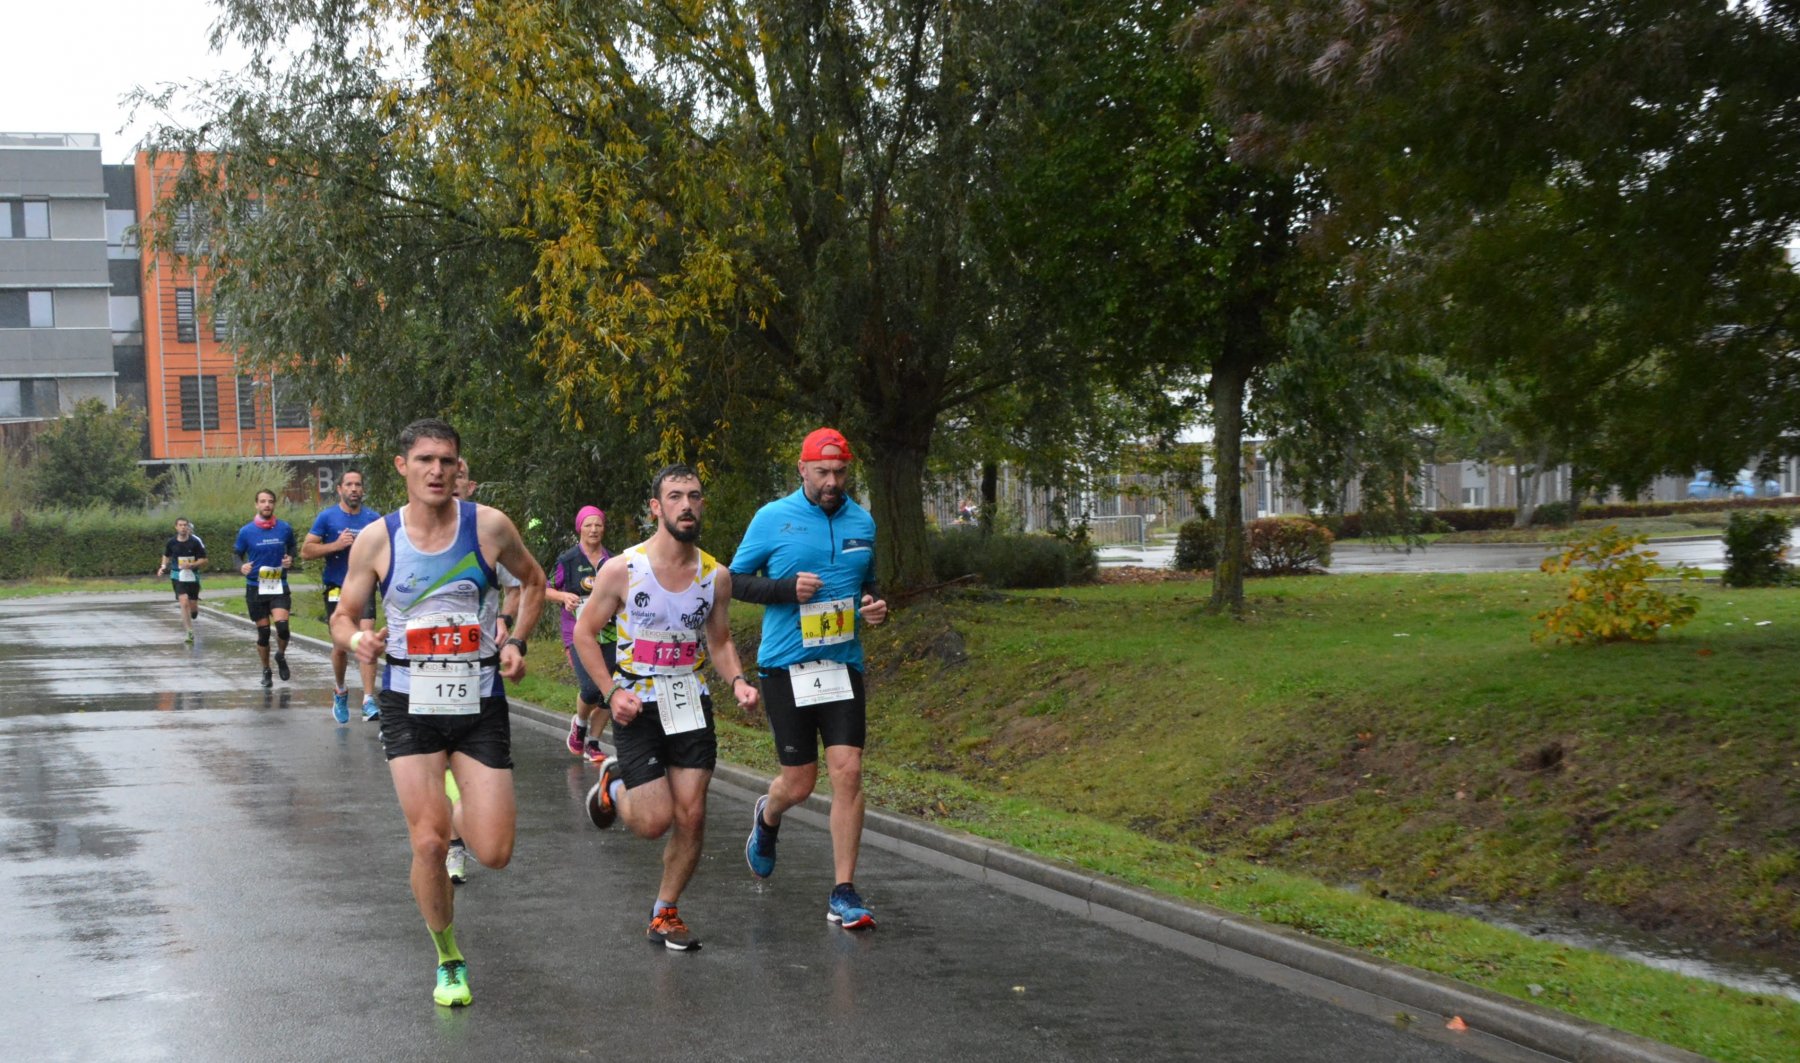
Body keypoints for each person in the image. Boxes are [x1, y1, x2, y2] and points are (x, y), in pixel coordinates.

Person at [333, 418, 545, 1007]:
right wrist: (359, 641)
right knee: (428, 843)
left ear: (458, 468)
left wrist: (516, 641)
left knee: (495, 852)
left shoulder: (489, 526)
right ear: (402, 466)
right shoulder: (378, 539)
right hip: (409, 702)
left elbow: (533, 582)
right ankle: (448, 956)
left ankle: (451, 802)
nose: (436, 470)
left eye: (447, 460)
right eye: (425, 459)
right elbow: (343, 615)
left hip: (479, 701)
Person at [574, 463, 759, 951]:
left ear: (702, 505)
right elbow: (584, 633)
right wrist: (611, 693)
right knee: (654, 821)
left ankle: (666, 912)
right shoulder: (623, 569)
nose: (686, 505)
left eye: (694, 496)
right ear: (656, 507)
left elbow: (719, 641)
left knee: (692, 815)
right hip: (637, 705)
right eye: (675, 496)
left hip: (689, 702)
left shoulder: (715, 576)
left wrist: (738, 681)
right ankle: (614, 784)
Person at [730, 427, 888, 930]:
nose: (832, 482)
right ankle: (768, 814)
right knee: (799, 783)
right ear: (802, 469)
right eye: (822, 472)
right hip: (786, 666)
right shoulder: (772, 518)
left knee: (848, 771)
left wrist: (874, 605)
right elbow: (732, 581)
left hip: (842, 664)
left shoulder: (863, 520)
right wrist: (784, 589)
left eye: (840, 472)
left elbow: (868, 583)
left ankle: (844, 891)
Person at [302, 469, 383, 723]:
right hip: (337, 588)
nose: (354, 489)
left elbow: (386, 551)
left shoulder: (373, 519)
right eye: (349, 484)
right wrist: (336, 545)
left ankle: (368, 699)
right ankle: (340, 690)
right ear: (339, 489)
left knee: (367, 637)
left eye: (358, 484)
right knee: (340, 646)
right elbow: (306, 551)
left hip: (365, 588)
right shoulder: (327, 517)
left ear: (363, 489)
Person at [547, 505, 614, 760]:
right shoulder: (568, 560)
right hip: (577, 633)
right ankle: (580, 724)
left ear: (603, 529)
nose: (594, 529)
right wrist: (564, 596)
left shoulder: (613, 561)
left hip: (610, 633)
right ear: (580, 529)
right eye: (588, 525)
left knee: (610, 691)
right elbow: (544, 588)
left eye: (598, 525)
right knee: (591, 689)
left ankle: (593, 744)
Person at [233, 489, 298, 689]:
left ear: (274, 504)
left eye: (270, 501)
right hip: (255, 587)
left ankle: (280, 655)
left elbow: (292, 547)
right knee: (263, 633)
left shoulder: (284, 528)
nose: (267, 504)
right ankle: (266, 669)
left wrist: (290, 558)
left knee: (283, 628)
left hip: (278, 584)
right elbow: (236, 554)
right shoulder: (246, 531)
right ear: (256, 505)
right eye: (262, 501)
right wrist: (241, 566)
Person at [156, 516, 207, 642]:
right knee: (183, 602)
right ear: (176, 527)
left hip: (192, 575)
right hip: (177, 575)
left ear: (188, 527)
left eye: (185, 525)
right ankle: (189, 631)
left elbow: (204, 560)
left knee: (192, 606)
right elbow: (166, 555)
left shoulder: (195, 542)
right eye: (180, 525)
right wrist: (163, 566)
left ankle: (194, 611)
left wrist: (192, 565)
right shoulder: (171, 542)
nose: (183, 527)